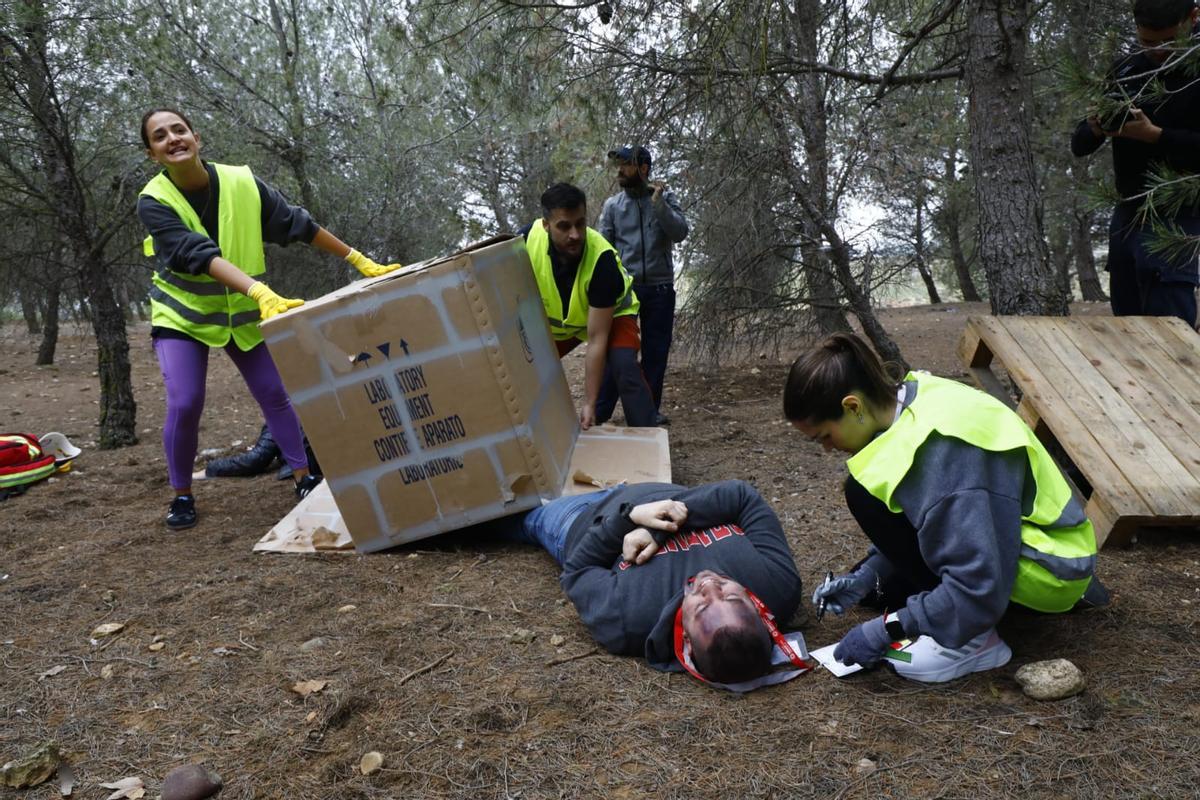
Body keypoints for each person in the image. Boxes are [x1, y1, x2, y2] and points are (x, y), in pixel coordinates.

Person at [784, 333, 1104, 683]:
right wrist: (868, 577)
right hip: (1025, 542)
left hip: (1049, 571)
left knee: (863, 496)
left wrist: (884, 631)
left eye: (825, 437)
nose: (828, 450)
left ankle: (974, 641)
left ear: (853, 407)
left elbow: (976, 584)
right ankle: (949, 613)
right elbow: (928, 522)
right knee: (873, 522)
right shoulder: (914, 399)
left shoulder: (946, 454)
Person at [137, 108, 401, 530]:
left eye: (179, 129)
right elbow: (194, 253)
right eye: (160, 136)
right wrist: (260, 290)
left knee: (275, 393)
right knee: (186, 401)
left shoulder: (241, 182)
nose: (173, 138)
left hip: (242, 311)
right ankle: (182, 494)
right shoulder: (154, 200)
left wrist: (358, 259)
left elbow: (295, 223)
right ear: (153, 154)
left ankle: (302, 476)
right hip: (183, 315)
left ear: (197, 137)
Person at [499, 479, 806, 688]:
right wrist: (658, 528)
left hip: (583, 516)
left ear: (686, 639)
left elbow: (578, 570)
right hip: (659, 485)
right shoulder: (778, 585)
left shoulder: (628, 622)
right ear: (758, 607)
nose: (710, 585)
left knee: (500, 512)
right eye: (731, 597)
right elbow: (740, 497)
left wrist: (631, 519)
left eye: (701, 608)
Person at [1070, 0, 1200, 326]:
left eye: (1168, 41)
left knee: (1172, 329)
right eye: (1147, 42)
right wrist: (1097, 126)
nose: (1157, 51)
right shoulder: (1126, 67)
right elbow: (1080, 143)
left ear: (1193, 17)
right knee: (1125, 326)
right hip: (1127, 210)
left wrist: (1156, 136)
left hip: (1179, 213)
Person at [521, 183, 656, 429]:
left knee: (623, 364)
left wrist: (589, 403)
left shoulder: (602, 262)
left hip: (612, 316)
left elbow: (596, 340)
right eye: (564, 226)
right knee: (524, 362)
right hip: (563, 324)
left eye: (580, 223)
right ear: (546, 225)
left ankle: (647, 436)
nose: (575, 234)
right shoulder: (527, 239)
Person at [599, 146, 689, 425]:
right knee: (619, 353)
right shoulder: (613, 206)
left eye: (625, 165)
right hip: (626, 292)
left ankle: (646, 414)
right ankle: (600, 412)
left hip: (660, 289)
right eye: (619, 165)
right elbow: (604, 249)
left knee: (656, 353)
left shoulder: (664, 198)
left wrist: (658, 203)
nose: (620, 171)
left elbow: (680, 232)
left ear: (643, 168)